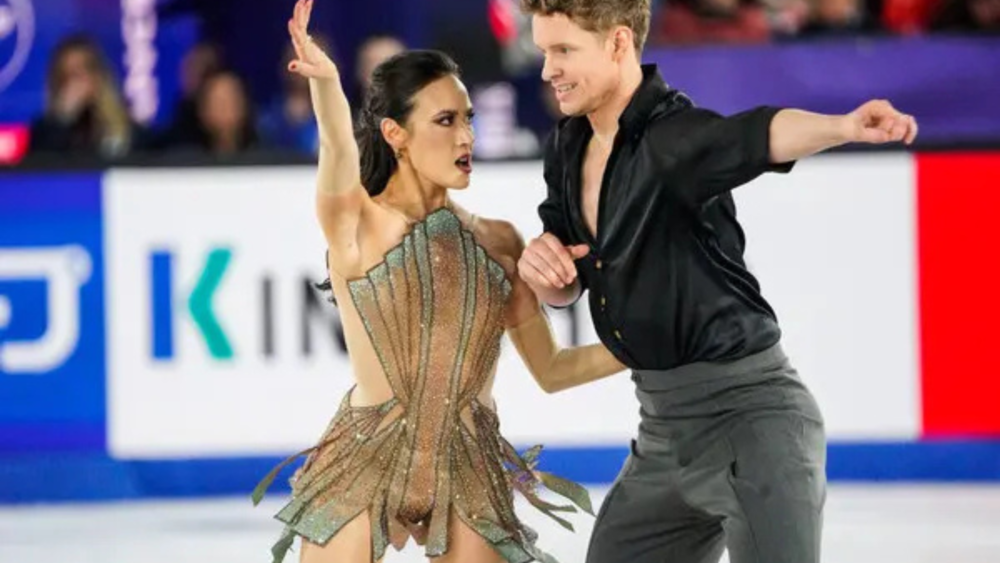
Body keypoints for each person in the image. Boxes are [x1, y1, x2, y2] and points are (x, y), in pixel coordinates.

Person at [514, 2, 919, 563]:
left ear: (617, 44)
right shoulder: (567, 146)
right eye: (543, 51)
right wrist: (548, 274)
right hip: (661, 436)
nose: (546, 70)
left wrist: (843, 126)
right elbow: (571, 278)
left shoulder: (672, 137)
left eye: (563, 51)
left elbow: (754, 136)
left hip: (751, 426)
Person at [252, 2, 627, 562]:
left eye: (468, 117)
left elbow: (552, 370)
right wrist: (328, 83)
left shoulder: (499, 242)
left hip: (468, 464)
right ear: (395, 135)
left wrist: (648, 345)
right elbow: (336, 147)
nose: (465, 137)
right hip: (364, 454)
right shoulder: (359, 226)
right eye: (446, 121)